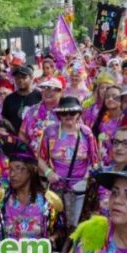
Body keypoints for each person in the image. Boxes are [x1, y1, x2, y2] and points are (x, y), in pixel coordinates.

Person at [39, 96, 98, 230]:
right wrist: (48, 172)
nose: (68, 116)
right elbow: (40, 158)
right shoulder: (50, 132)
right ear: (59, 114)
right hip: (57, 187)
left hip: (80, 189)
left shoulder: (86, 133)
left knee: (76, 226)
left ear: (79, 114)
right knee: (56, 225)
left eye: (72, 113)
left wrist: (87, 178)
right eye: (64, 113)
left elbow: (94, 160)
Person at [19, 78, 63, 153]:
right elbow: (22, 134)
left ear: (60, 92)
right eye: (44, 88)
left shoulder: (66, 111)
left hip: (59, 158)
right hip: (34, 158)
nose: (47, 92)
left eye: (52, 89)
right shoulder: (32, 111)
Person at [1, 65, 41, 133]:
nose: (20, 80)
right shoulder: (9, 99)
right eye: (17, 78)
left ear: (31, 78)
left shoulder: (39, 95)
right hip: (14, 139)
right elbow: (5, 120)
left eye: (24, 77)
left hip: (35, 138)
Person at [92, 85, 123, 166]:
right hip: (104, 165)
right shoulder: (100, 120)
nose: (110, 99)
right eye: (107, 97)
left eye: (114, 96)